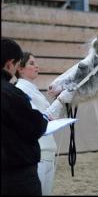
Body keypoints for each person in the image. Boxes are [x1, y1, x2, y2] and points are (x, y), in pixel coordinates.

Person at [15, 52, 75, 195]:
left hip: (47, 151)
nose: (36, 66)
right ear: (20, 69)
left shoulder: (34, 90)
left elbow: (47, 117)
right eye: (31, 63)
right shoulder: (21, 90)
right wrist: (60, 101)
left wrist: (62, 102)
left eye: (36, 63)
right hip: (38, 153)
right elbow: (38, 120)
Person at [1, 37, 48, 195]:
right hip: (15, 173)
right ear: (10, 64)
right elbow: (35, 126)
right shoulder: (13, 93)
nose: (36, 67)